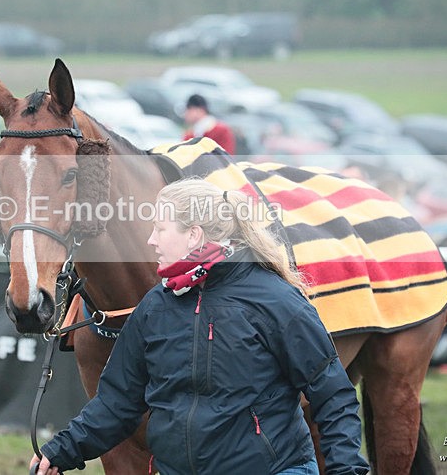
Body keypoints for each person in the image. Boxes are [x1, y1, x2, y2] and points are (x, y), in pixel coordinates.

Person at [31, 178, 369, 475]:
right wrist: (59, 452)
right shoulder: (155, 305)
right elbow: (118, 402)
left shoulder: (277, 301)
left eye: (160, 230)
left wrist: (347, 470)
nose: (151, 241)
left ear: (193, 235)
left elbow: (333, 394)